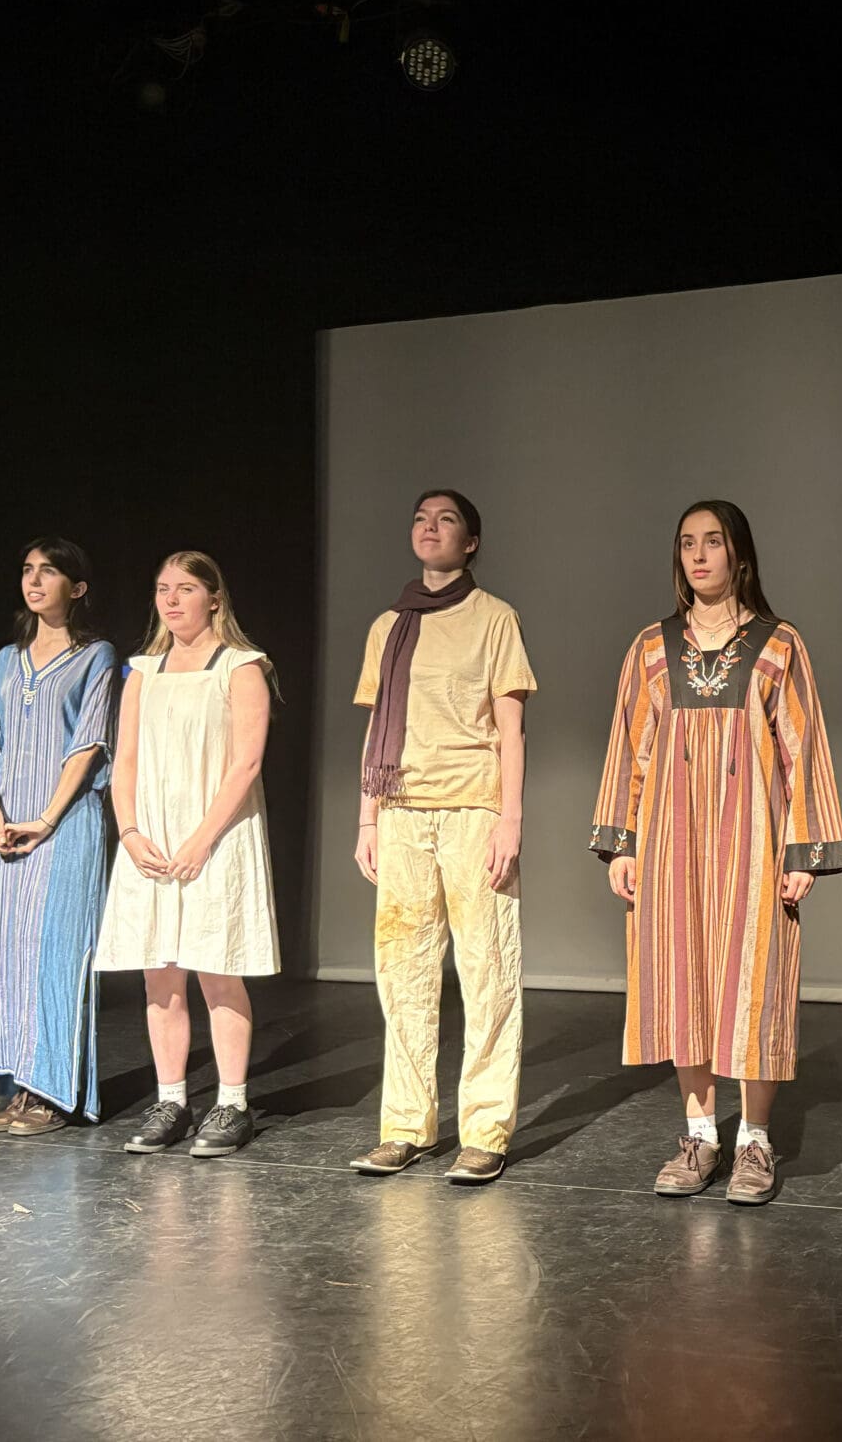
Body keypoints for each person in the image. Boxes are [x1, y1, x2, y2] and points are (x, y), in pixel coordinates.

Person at [592, 500, 842, 1207]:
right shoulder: (651, 646)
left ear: (739, 553)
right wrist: (623, 843)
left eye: (713, 542)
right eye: (687, 543)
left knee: (755, 983)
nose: (699, 555)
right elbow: (630, 748)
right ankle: (700, 1135)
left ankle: (755, 1140)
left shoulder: (778, 644)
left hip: (755, 842)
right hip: (672, 839)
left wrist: (803, 851)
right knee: (684, 980)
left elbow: (803, 748)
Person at [349, 489, 536, 1185]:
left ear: (471, 542)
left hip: (472, 810)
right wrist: (367, 818)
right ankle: (406, 1125)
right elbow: (377, 728)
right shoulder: (389, 625)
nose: (430, 528)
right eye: (421, 518)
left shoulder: (495, 618)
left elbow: (511, 728)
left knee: (487, 971)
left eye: (446, 519)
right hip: (401, 812)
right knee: (403, 973)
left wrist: (510, 819)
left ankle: (485, 1130)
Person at [96, 551, 281, 1159]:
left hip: (216, 837)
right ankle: (171, 1100)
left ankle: (232, 1104)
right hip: (151, 839)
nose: (171, 600)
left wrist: (201, 840)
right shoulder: (143, 671)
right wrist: (130, 833)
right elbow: (124, 761)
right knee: (160, 973)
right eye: (162, 589)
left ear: (214, 599)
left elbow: (245, 764)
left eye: (185, 589)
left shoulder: (240, 667)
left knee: (217, 969)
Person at [0, 537, 117, 1136]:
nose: (34, 581)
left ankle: (53, 1092)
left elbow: (88, 745)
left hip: (65, 826)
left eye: (49, 572)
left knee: (57, 956)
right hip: (7, 828)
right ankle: (18, 1087)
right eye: (28, 570)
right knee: (6, 954)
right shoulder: (8, 659)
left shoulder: (96, 656)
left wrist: (48, 818)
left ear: (76, 588)